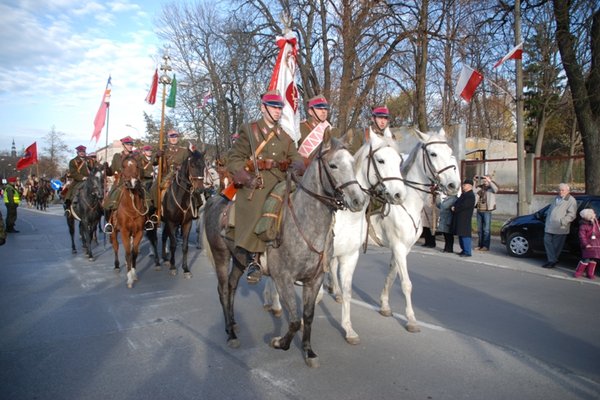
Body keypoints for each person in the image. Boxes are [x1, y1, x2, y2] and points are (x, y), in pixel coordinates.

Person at [227, 90, 304, 284]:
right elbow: (234, 160)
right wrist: (246, 178)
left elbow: (296, 158)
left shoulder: (284, 135)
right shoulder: (249, 130)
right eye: (273, 107)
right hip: (257, 183)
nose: (278, 111)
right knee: (259, 208)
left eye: (279, 108)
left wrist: (296, 165)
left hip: (281, 181)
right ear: (263, 108)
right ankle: (254, 258)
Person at [103, 136, 155, 233]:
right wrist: (107, 169)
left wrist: (138, 176)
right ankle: (109, 222)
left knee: (148, 199)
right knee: (109, 201)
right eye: (128, 144)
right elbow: (112, 170)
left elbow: (142, 171)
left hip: (135, 182)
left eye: (131, 144)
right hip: (120, 183)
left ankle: (147, 220)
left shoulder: (137, 157)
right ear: (123, 145)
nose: (130, 146)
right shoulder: (117, 157)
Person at [151, 129, 191, 213]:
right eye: (171, 136)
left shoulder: (183, 150)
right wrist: (157, 156)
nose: (174, 138)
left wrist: (181, 167)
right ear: (168, 138)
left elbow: (188, 164)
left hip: (180, 176)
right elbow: (153, 163)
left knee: (193, 188)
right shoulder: (163, 149)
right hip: (165, 176)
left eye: (175, 136)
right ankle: (156, 210)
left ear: (178, 138)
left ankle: (195, 208)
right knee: (153, 188)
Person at [542, 183, 577, 268]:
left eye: (563, 190)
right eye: (559, 190)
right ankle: (552, 260)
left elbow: (572, 214)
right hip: (550, 225)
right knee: (547, 241)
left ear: (568, 191)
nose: (560, 192)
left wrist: (563, 222)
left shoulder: (571, 200)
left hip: (560, 226)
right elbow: (551, 210)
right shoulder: (556, 198)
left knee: (556, 246)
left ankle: (552, 261)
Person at [298, 95, 341, 159]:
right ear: (310, 111)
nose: (323, 111)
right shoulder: (300, 128)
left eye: (325, 108)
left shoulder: (335, 132)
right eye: (319, 108)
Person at [64, 145, 95, 216]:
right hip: (78, 180)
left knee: (99, 189)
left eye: (83, 151)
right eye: (80, 152)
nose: (82, 153)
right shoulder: (73, 161)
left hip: (90, 180)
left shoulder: (90, 160)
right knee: (71, 190)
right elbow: (73, 172)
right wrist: (82, 177)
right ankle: (68, 207)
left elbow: (95, 168)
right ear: (77, 152)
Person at [452, 178, 476, 257]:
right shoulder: (464, 194)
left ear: (470, 186)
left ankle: (467, 251)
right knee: (460, 234)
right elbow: (457, 202)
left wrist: (455, 208)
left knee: (465, 235)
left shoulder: (470, 195)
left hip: (465, 218)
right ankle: (463, 250)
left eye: (464, 185)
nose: (463, 186)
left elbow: (464, 206)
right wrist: (454, 206)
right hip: (459, 217)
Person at [475, 175, 498, 251]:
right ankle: (480, 245)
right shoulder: (480, 187)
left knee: (486, 229)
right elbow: (473, 191)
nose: (484, 181)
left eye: (486, 180)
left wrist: (490, 181)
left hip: (487, 211)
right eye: (484, 180)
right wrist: (475, 181)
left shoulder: (491, 188)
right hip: (479, 210)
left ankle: (486, 246)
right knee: (479, 229)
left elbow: (496, 190)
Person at [575, 208, 599, 279]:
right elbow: (582, 236)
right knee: (585, 259)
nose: (595, 215)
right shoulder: (583, 226)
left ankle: (590, 273)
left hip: (595, 244)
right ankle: (578, 272)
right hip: (587, 245)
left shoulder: (596, 223)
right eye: (593, 214)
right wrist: (585, 244)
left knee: (593, 259)